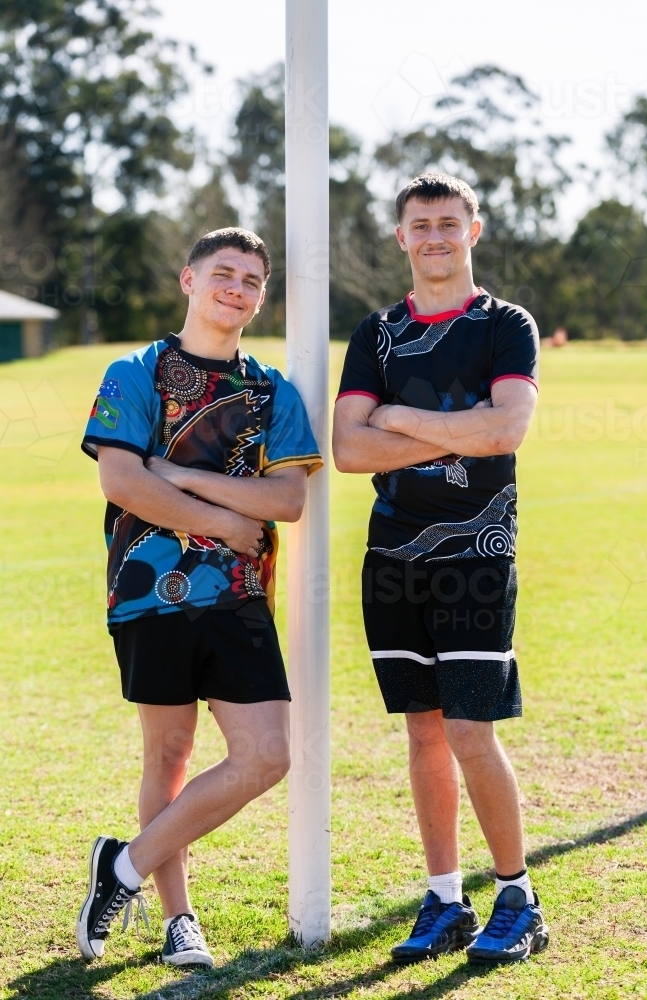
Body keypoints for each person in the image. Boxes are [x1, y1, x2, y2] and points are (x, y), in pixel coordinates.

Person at [77, 227, 322, 967]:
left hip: (239, 595)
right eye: (224, 273)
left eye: (252, 280)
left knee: (265, 757)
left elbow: (285, 501)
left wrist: (181, 478)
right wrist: (222, 518)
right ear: (188, 280)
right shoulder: (135, 372)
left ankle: (121, 868)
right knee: (171, 753)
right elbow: (122, 481)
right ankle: (178, 917)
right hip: (146, 592)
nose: (237, 289)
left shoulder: (271, 392)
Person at [333, 173, 549, 965]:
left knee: (468, 728)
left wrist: (397, 416)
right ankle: (444, 898)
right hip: (391, 558)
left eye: (447, 222)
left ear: (473, 231)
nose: (433, 235)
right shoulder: (376, 333)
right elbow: (350, 449)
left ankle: (516, 894)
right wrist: (460, 430)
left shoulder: (505, 325)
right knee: (422, 732)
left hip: (477, 557)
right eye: (419, 223)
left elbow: (507, 432)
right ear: (400, 237)